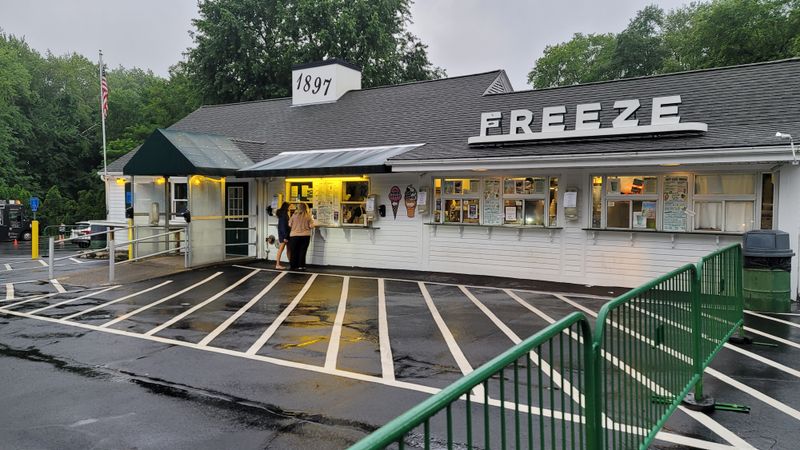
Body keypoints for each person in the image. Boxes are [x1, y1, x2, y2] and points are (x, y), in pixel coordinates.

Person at [288, 203, 314, 270]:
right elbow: (311, 226)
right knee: (303, 251)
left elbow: (289, 224)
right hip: (305, 236)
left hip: (294, 236)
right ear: (305, 208)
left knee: (294, 251)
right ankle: (301, 266)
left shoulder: (294, 215)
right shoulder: (308, 216)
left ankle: (293, 266)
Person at [275, 202, 291, 269]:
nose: (290, 208)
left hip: (286, 234)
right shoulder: (284, 215)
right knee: (281, 249)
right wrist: (285, 237)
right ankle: (277, 264)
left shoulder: (284, 214)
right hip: (284, 235)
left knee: (288, 249)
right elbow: (283, 227)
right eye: (289, 206)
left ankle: (291, 263)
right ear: (286, 207)